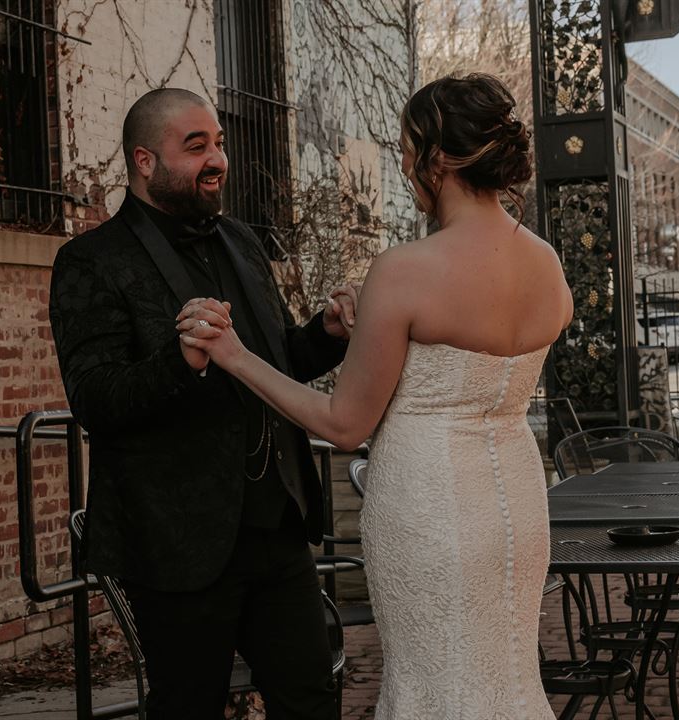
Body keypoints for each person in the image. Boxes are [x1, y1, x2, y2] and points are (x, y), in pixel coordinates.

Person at [181, 73, 573, 718]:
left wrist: (234, 355)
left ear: (438, 159)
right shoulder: (545, 262)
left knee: (433, 684)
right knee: (502, 676)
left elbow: (343, 423)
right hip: (516, 505)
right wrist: (377, 327)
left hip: (428, 508)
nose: (404, 165)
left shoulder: (405, 269)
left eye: (408, 149)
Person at [49, 87, 358, 719]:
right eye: (196, 147)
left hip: (277, 525)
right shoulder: (90, 261)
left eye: (218, 143)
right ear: (144, 161)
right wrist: (179, 361)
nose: (217, 159)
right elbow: (94, 398)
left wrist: (326, 335)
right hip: (175, 543)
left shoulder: (242, 241)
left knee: (312, 701)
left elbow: (277, 361)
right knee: (188, 708)